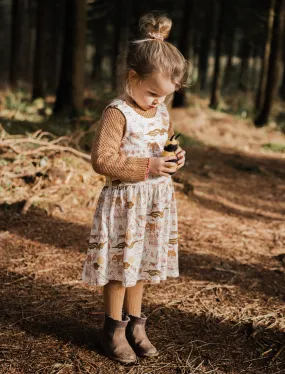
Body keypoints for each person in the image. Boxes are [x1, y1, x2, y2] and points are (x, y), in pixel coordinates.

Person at [82, 12, 187, 364]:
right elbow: (102, 160)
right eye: (153, 92)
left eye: (166, 96)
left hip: (154, 203)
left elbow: (161, 143)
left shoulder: (159, 111)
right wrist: (148, 166)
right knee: (119, 266)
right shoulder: (118, 112)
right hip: (125, 202)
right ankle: (113, 328)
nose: (158, 101)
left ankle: (136, 325)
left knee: (140, 266)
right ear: (132, 78)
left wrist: (173, 157)